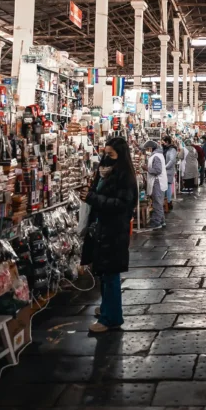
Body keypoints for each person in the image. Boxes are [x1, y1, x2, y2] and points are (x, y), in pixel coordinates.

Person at [82, 136, 137, 333]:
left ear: (120, 156)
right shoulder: (105, 173)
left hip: (114, 231)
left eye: (111, 155)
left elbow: (121, 205)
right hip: (103, 229)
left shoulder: (125, 177)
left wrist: (93, 198)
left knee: (111, 274)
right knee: (104, 274)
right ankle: (107, 309)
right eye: (105, 153)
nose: (106, 158)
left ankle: (111, 318)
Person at [144, 140, 167, 230]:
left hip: (157, 182)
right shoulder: (158, 155)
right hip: (159, 182)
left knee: (157, 203)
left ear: (151, 148)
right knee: (159, 202)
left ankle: (157, 223)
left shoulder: (156, 156)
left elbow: (157, 170)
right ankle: (161, 220)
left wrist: (147, 168)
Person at [162, 136, 177, 208]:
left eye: (163, 141)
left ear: (167, 142)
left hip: (168, 171)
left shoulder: (172, 150)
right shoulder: (164, 149)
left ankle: (169, 202)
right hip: (164, 171)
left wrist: (165, 167)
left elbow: (172, 160)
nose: (162, 143)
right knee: (165, 186)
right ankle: (165, 202)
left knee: (168, 186)